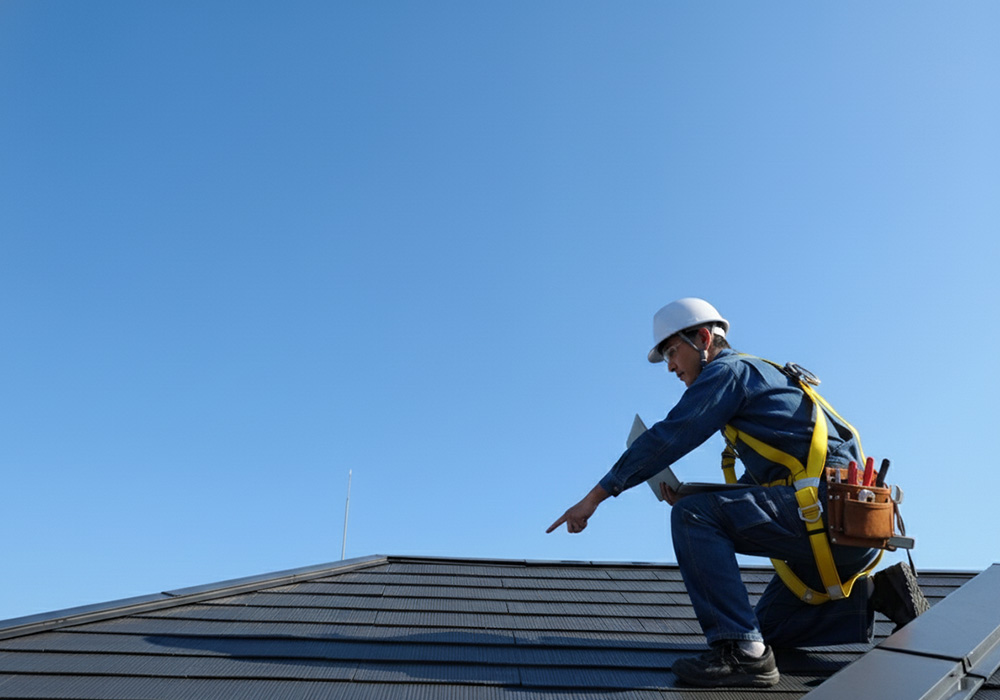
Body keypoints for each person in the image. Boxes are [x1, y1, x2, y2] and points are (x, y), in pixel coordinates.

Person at [547, 298, 929, 688]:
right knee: (764, 631)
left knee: (693, 517)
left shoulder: (728, 373)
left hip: (829, 518)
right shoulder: (760, 379)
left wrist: (594, 498)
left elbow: (670, 436)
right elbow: (766, 488)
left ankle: (742, 656)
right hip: (849, 526)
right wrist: (694, 491)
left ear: (702, 338)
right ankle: (880, 594)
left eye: (673, 352)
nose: (671, 367)